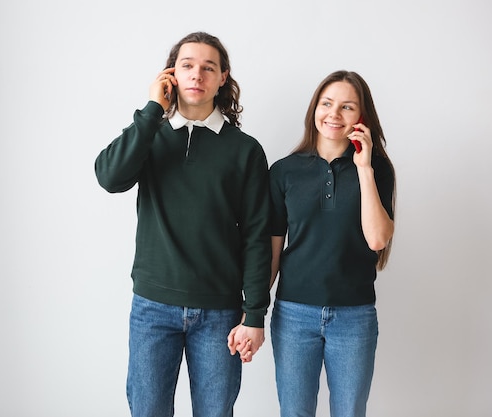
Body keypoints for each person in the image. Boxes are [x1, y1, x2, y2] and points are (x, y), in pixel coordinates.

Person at [94, 32, 271, 417]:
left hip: (220, 313)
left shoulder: (245, 150)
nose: (197, 75)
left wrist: (254, 313)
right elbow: (109, 177)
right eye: (187, 65)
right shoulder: (150, 134)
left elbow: (258, 236)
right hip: (153, 307)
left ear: (223, 77)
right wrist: (151, 110)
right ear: (171, 74)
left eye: (209, 67)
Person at [269, 70, 396, 417]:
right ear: (314, 109)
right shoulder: (283, 171)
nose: (334, 115)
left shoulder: (378, 170)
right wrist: (253, 310)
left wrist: (364, 168)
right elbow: (273, 248)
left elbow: (378, 238)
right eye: (326, 104)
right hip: (293, 313)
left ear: (362, 117)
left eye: (347, 107)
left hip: (354, 317)